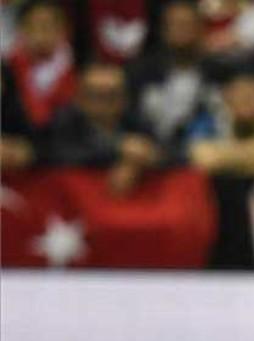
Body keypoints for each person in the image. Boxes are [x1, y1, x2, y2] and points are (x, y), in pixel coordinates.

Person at [43, 62, 162, 196]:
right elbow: (60, 155)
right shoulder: (65, 122)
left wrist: (142, 160)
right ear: (79, 99)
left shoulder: (137, 121)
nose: (105, 104)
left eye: (112, 95)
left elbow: (167, 151)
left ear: (125, 99)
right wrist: (118, 147)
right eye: (97, 96)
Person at [127, 0, 214, 155]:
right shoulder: (140, 73)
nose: (180, 31)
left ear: (201, 29)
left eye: (186, 24)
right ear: (163, 30)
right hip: (149, 155)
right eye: (173, 24)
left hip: (200, 156)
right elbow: (130, 119)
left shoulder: (217, 74)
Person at [187, 69, 254, 176]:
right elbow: (203, 158)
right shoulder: (211, 132)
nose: (246, 98)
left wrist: (225, 157)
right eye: (239, 91)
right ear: (226, 97)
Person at [3, 0, 76, 130]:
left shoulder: (78, 66)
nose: (40, 34)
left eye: (47, 26)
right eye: (33, 26)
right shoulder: (7, 70)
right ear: (21, 30)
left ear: (63, 30)